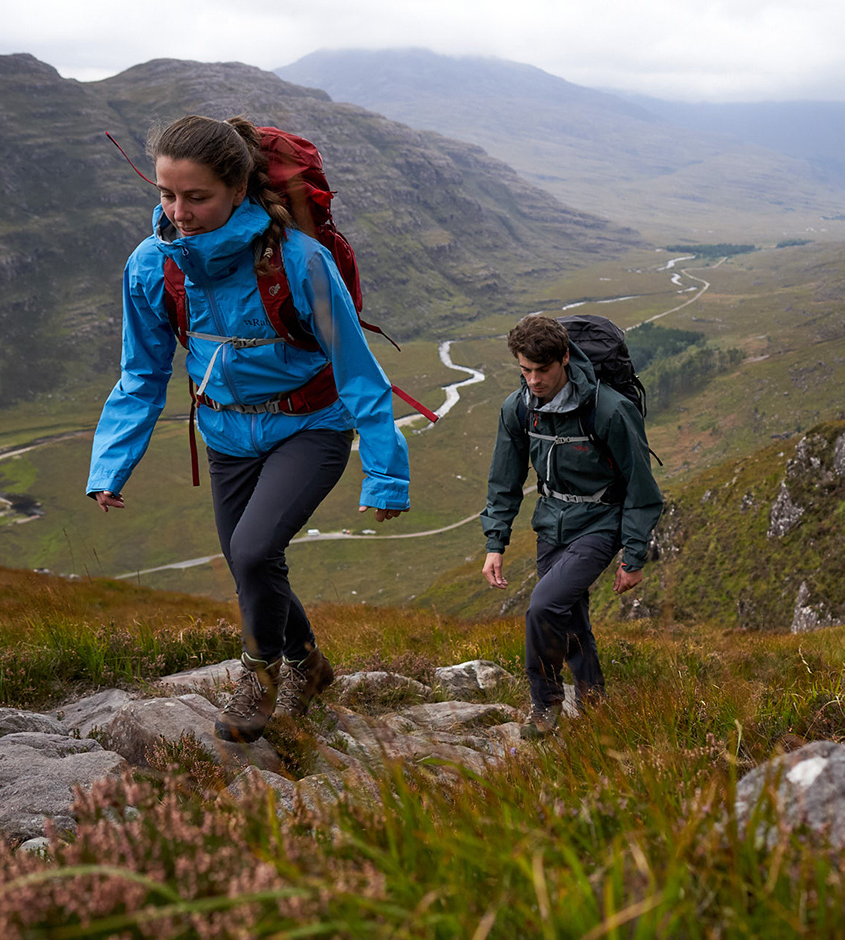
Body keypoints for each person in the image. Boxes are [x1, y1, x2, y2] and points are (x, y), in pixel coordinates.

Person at [87, 115, 410, 743]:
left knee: (255, 552)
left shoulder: (300, 260)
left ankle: (259, 677)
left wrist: (384, 472)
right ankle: (307, 662)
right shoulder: (152, 266)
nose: (179, 212)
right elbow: (141, 374)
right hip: (226, 434)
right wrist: (111, 464)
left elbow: (358, 373)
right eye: (165, 194)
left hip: (308, 427)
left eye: (197, 196)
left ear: (238, 189)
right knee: (249, 564)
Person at [481, 314, 662, 739]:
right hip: (551, 524)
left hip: (601, 523)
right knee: (570, 615)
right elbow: (504, 479)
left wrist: (633, 556)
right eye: (525, 370)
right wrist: (495, 542)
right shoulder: (518, 407)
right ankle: (595, 702)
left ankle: (544, 705)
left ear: (565, 358)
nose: (533, 380)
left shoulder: (609, 410)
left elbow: (642, 488)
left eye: (542, 370)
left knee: (544, 606)